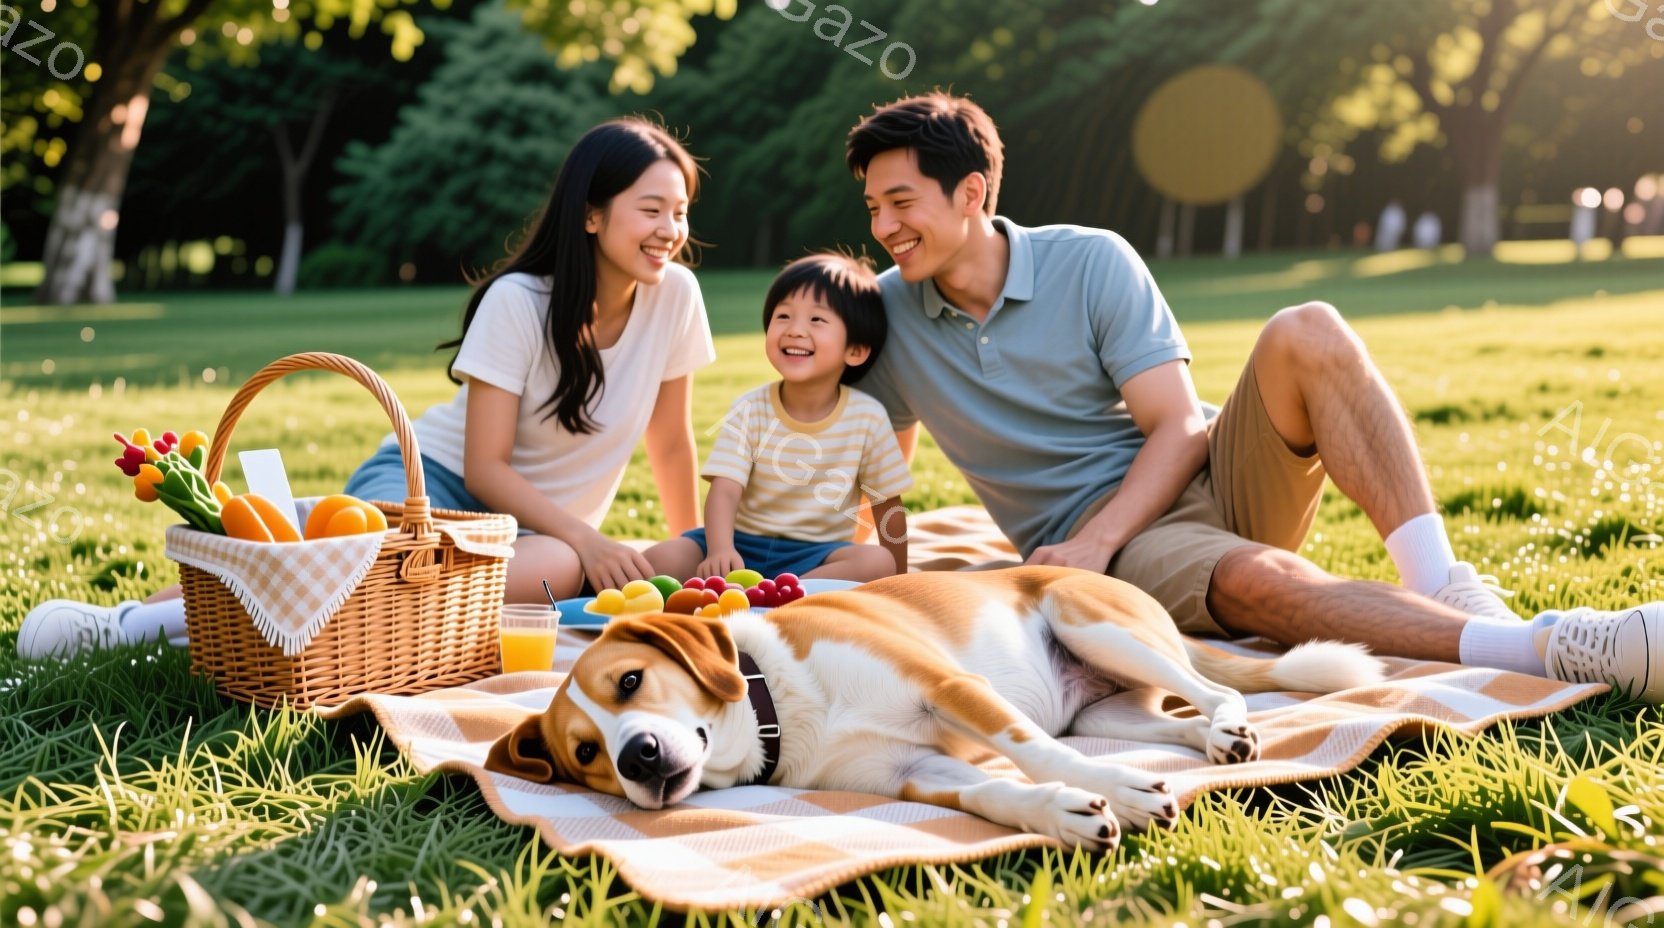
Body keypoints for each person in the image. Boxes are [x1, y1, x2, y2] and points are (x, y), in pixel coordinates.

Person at [843, 91, 1663, 700]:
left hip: (1194, 477)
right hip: (1123, 550)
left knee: (1307, 326)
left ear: (973, 193)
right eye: (875, 207)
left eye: (901, 202)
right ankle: (1549, 648)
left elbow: (1174, 427)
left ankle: (1442, 580)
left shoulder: (1090, 260)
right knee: (1261, 588)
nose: (884, 225)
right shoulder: (889, 314)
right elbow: (867, 458)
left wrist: (1097, 540)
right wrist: (861, 565)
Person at [18, 117, 716, 659]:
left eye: (679, 212)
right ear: (591, 214)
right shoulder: (519, 301)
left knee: (563, 566)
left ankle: (235, 634)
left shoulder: (676, 297)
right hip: (434, 482)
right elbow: (484, 467)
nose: (671, 231)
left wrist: (690, 552)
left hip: (537, 535)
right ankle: (129, 627)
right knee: (343, 574)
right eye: (651, 209)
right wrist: (587, 539)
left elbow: (670, 439)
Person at [644, 253, 911, 583]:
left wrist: (899, 579)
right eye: (783, 316)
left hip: (817, 554)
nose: (795, 330)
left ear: (855, 350)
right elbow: (725, 491)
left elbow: (889, 507)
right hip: (739, 545)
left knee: (877, 563)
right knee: (659, 558)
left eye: (817, 320)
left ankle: (786, 592)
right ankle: (774, 593)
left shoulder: (868, 417)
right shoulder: (751, 408)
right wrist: (719, 551)